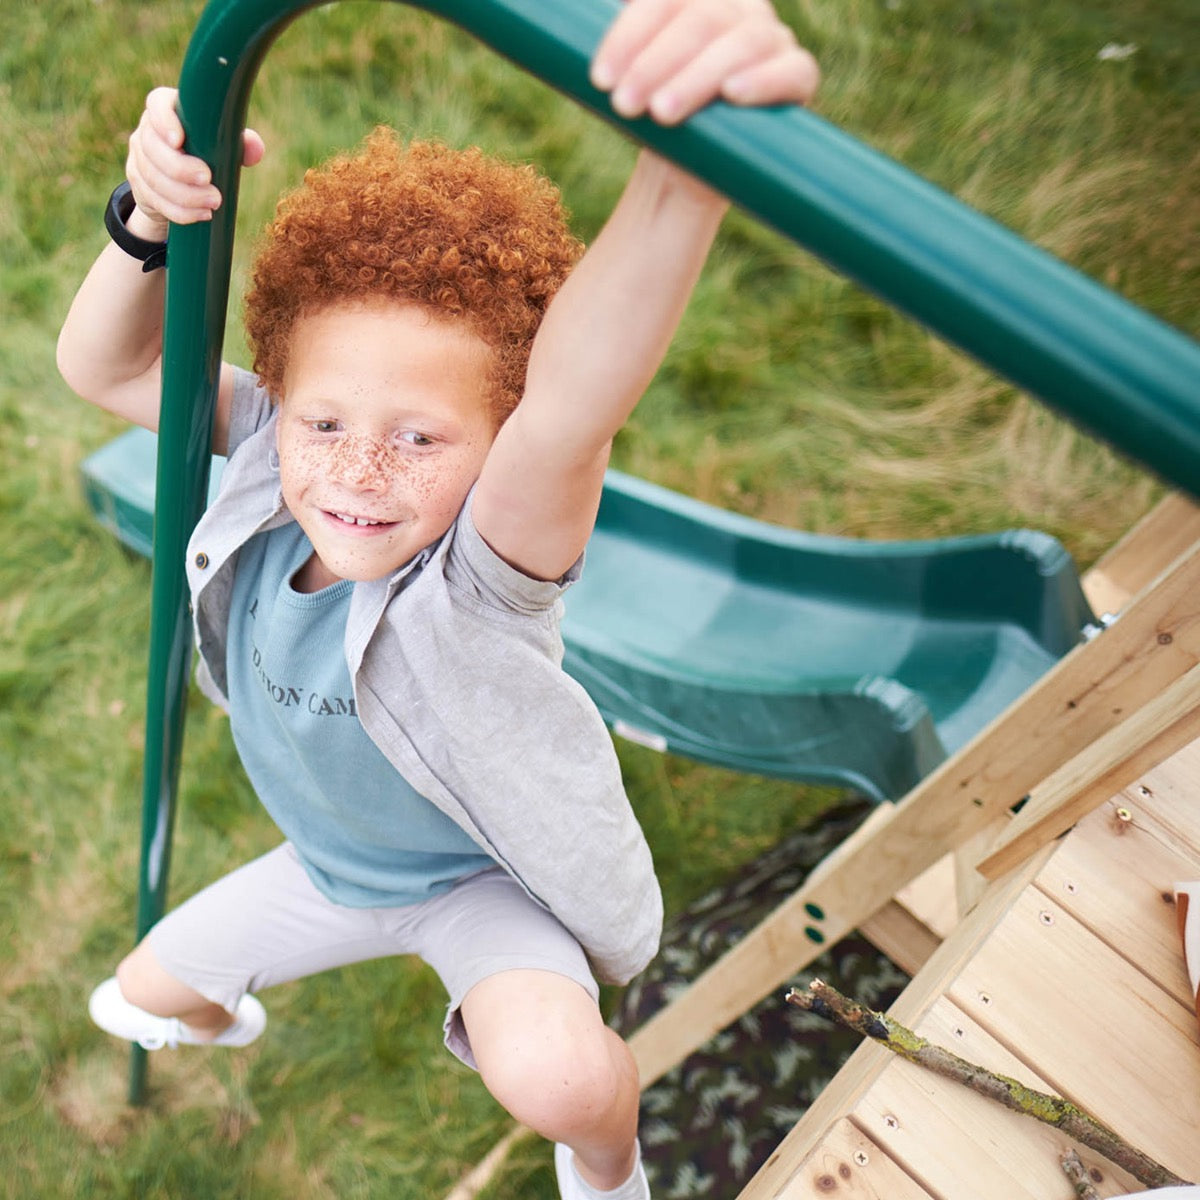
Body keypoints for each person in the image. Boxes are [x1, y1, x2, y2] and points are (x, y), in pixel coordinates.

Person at [57, 2, 818, 1196]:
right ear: (284, 395)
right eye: (326, 421)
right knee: (145, 991)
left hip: (475, 880)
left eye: (419, 436)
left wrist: (688, 173)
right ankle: (223, 1012)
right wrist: (147, 219)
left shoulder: (486, 570)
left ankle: (611, 1169)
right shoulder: (269, 445)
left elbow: (573, 404)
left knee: (560, 1080)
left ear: (501, 437)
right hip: (328, 864)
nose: (358, 470)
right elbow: (108, 365)